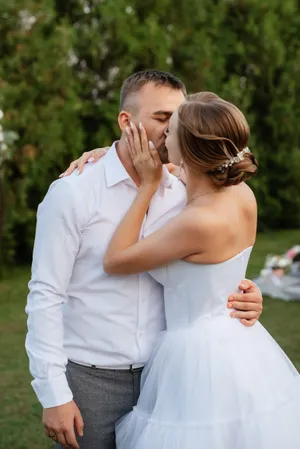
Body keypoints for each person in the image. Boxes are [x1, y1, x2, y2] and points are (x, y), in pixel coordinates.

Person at [25, 71, 263, 449]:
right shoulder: (73, 193)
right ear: (126, 121)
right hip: (92, 381)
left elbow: (213, 253)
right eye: (163, 119)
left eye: (179, 119)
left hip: (169, 379)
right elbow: (45, 295)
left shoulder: (186, 189)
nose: (175, 130)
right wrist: (54, 393)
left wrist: (243, 293)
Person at [101, 96, 300, 448]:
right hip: (239, 340)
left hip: (200, 357)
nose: (164, 137)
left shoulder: (197, 222)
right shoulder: (241, 194)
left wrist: (147, 186)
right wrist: (100, 155)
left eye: (171, 130)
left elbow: (115, 260)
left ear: (190, 151)